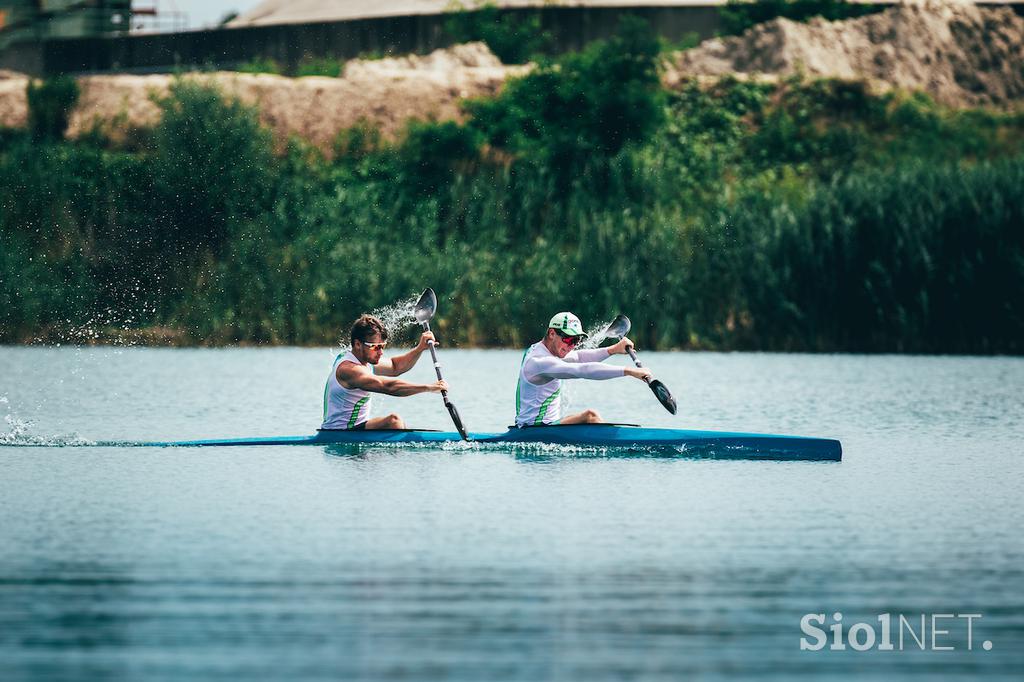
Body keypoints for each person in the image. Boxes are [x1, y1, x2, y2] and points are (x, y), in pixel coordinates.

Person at [515, 312, 652, 427]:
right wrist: (629, 371)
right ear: (551, 333)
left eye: (576, 341)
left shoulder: (538, 349)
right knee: (590, 416)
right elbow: (582, 370)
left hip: (542, 428)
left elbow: (579, 357)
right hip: (535, 430)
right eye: (568, 340)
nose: (571, 346)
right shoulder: (539, 362)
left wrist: (612, 350)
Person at [321, 314, 448, 430]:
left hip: (355, 428)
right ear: (358, 344)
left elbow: (395, 366)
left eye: (382, 346)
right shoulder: (349, 370)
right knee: (394, 421)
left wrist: (420, 348)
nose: (381, 352)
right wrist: (429, 387)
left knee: (394, 422)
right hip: (339, 432)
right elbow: (388, 387)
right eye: (376, 347)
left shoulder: (362, 359)